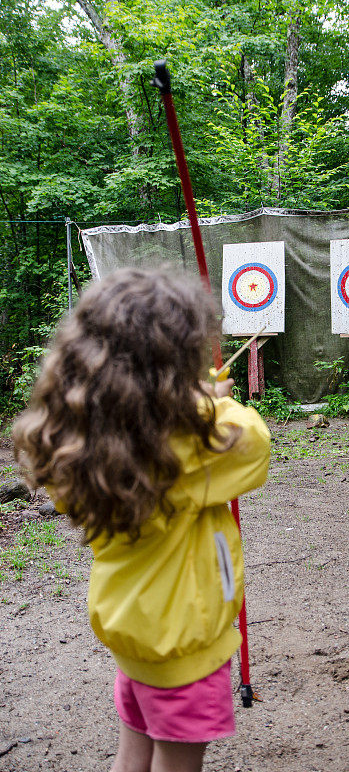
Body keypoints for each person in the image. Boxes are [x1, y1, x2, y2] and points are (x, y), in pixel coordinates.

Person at [14, 268, 271, 772]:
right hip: (181, 654)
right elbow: (254, 445)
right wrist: (207, 406)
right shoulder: (187, 450)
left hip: (136, 642)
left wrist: (187, 404)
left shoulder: (82, 442)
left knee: (131, 757)